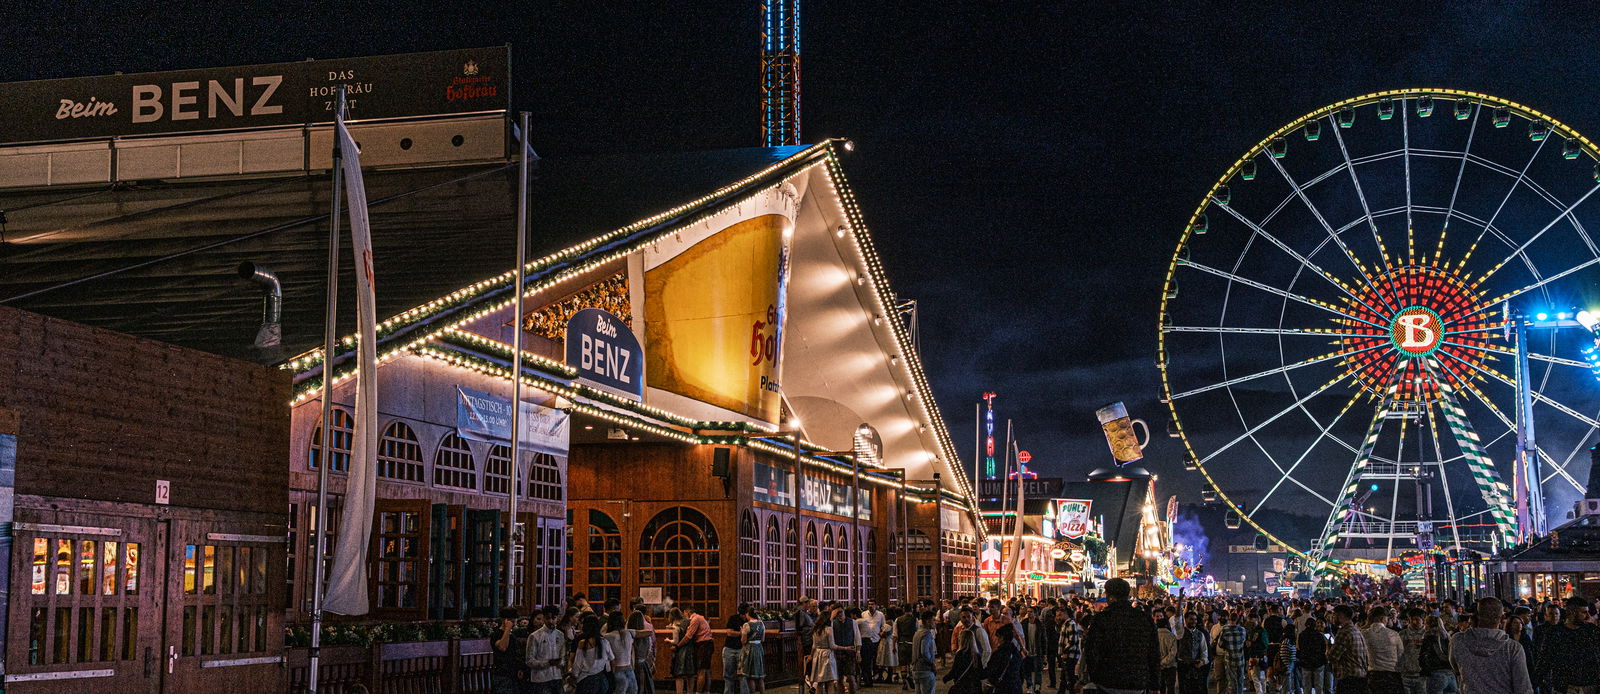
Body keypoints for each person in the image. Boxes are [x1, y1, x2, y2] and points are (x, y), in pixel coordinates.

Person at [1081, 577, 1161, 693]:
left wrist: (1095, 677)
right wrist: (1155, 685)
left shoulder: (1102, 619)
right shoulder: (1144, 618)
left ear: (1109, 595)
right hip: (1137, 681)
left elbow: (1091, 650)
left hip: (1108, 682)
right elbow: (1153, 653)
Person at [1449, 598, 1531, 694]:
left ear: (1477, 616)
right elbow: (1523, 687)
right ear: (1501, 618)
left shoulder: (1458, 641)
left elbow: (1455, 667)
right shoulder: (1513, 648)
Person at [1532, 598, 1600, 694]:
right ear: (1572, 612)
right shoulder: (1554, 633)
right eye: (1584, 612)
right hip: (1565, 688)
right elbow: (1545, 661)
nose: (1588, 616)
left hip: (1590, 686)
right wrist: (1533, 685)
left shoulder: (1592, 631)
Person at [1330, 604, 1371, 694]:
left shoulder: (1344, 632)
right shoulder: (1356, 630)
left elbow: (1332, 656)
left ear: (1340, 616)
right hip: (1360, 677)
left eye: (1334, 615)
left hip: (1348, 679)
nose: (1332, 618)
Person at [571, 614, 617, 694]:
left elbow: (577, 664)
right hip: (602, 680)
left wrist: (574, 676)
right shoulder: (604, 642)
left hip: (586, 680)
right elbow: (612, 660)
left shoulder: (583, 643)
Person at [527, 608, 567, 694]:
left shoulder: (560, 635)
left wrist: (561, 663)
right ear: (544, 618)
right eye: (548, 618)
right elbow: (529, 661)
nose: (551, 621)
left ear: (557, 618)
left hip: (557, 678)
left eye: (553, 618)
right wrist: (548, 663)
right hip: (541, 679)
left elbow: (563, 657)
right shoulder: (535, 636)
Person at [491, 607, 527, 694]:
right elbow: (502, 647)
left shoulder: (512, 636)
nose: (514, 622)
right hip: (502, 674)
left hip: (513, 674)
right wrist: (507, 629)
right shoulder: (497, 634)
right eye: (513, 620)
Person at [983, 624, 1025, 694]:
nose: (997, 640)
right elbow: (1021, 672)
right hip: (1016, 687)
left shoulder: (999, 653)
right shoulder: (1016, 652)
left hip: (1002, 687)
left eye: (998, 637)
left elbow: (991, 670)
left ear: (1002, 638)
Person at [628, 599, 658, 694]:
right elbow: (652, 644)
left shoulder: (627, 629)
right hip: (643, 660)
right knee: (643, 684)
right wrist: (653, 659)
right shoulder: (648, 627)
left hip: (630, 662)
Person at [1418, 616, 1455, 694]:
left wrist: (1425, 671)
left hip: (1436, 675)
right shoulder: (1448, 637)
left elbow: (1423, 656)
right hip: (1451, 676)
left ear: (1428, 624)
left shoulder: (1429, 636)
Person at [1176, 611, 1210, 694]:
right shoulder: (1181, 632)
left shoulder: (1200, 634)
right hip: (1183, 665)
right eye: (1191, 619)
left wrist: (1202, 661)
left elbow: (1204, 650)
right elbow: (1177, 619)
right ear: (1186, 620)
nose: (1194, 621)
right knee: (1184, 689)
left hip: (1196, 666)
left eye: (1195, 619)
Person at [944, 626, 986, 694]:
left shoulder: (960, 654)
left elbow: (955, 670)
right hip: (975, 687)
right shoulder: (976, 655)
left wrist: (946, 678)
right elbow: (980, 672)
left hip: (963, 686)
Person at [663, 607, 695, 694]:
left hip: (680, 650)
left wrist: (668, 640)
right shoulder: (688, 621)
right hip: (691, 649)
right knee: (690, 674)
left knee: (679, 675)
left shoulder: (675, 626)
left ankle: (679, 692)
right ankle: (690, 692)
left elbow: (675, 641)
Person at [606, 611, 639, 694]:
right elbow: (648, 632)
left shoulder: (607, 636)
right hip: (630, 669)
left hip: (616, 670)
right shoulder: (629, 633)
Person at [1216, 611, 1249, 694]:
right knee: (1240, 680)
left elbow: (1220, 644)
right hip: (1240, 659)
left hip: (1229, 659)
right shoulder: (1242, 630)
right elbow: (1243, 642)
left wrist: (1227, 647)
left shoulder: (1225, 629)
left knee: (1232, 681)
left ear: (1229, 619)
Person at [683, 605, 714, 694]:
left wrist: (678, 645)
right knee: (706, 670)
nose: (684, 615)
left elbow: (688, 636)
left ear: (687, 612)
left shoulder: (695, 619)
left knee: (701, 670)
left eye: (684, 613)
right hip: (708, 644)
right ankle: (707, 691)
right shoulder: (700, 617)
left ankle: (698, 692)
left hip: (703, 645)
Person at [1297, 615, 1329, 694]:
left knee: (1307, 684)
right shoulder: (1319, 635)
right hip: (1318, 662)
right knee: (1318, 684)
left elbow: (1299, 647)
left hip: (1306, 662)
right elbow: (1323, 648)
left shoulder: (1302, 635)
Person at [1400, 608, 1429, 694]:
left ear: (1423, 620)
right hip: (1405, 675)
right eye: (1411, 619)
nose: (1414, 622)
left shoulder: (1428, 634)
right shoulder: (1402, 634)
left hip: (1422, 675)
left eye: (1417, 619)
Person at [811, 608, 840, 694]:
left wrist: (811, 656)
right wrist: (845, 648)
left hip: (817, 654)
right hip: (827, 655)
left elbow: (814, 646)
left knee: (819, 682)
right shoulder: (828, 629)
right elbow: (832, 646)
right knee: (830, 682)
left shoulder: (815, 629)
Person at [742, 604, 768, 694]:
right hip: (759, 648)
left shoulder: (747, 625)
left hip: (750, 649)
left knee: (751, 676)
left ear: (748, 614)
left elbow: (743, 641)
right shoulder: (761, 624)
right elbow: (763, 639)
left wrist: (742, 633)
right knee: (760, 677)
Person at [911, 611, 939, 694]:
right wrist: (932, 664)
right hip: (925, 670)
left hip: (916, 669)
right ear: (928, 621)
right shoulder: (926, 634)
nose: (935, 622)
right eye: (933, 620)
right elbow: (924, 652)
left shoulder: (917, 633)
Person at [835, 607, 862, 694]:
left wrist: (858, 651)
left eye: (840, 612)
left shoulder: (852, 622)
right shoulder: (833, 623)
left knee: (851, 677)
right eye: (837, 612)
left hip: (849, 653)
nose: (839, 614)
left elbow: (857, 637)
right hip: (837, 652)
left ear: (844, 612)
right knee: (839, 678)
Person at [724, 605, 750, 694]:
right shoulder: (733, 618)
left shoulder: (749, 620)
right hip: (729, 648)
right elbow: (729, 632)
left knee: (743, 674)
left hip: (742, 649)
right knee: (728, 675)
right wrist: (742, 633)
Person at [861, 601, 886, 687]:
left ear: (876, 606)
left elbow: (884, 626)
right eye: (869, 604)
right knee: (867, 660)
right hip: (866, 640)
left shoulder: (880, 615)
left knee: (876, 659)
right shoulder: (864, 614)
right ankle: (867, 677)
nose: (870, 606)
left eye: (872, 604)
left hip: (876, 640)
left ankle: (876, 676)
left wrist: (882, 633)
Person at [1058, 609, 1083, 694]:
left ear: (1066, 614)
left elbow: (1073, 640)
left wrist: (1065, 652)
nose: (1058, 617)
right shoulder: (1065, 624)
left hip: (1070, 655)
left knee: (1069, 677)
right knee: (1065, 677)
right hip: (1067, 654)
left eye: (1060, 615)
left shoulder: (1070, 624)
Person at [1157, 616, 1180, 694]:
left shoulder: (1154, 635)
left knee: (1160, 687)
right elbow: (1173, 653)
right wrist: (1164, 661)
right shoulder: (1171, 636)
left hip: (1158, 666)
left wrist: (1159, 662)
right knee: (1171, 687)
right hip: (1170, 666)